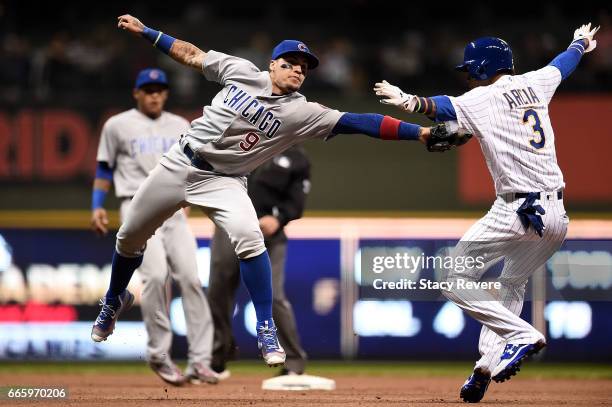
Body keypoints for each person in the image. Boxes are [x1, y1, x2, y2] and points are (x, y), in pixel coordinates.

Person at [91, 13, 463, 368]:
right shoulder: (240, 71)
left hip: (224, 181)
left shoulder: (304, 112)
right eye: (290, 62)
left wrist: (423, 133)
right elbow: (191, 54)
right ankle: (113, 300)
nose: (299, 68)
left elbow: (360, 122)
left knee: (250, 239)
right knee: (128, 238)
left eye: (305, 66)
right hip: (179, 162)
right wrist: (146, 31)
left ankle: (266, 328)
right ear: (271, 64)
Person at [374, 23, 600, 402]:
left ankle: (521, 334)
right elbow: (563, 64)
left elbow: (439, 106)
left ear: (480, 68)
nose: (468, 78)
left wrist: (406, 99)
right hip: (557, 215)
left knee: (451, 276)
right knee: (512, 283)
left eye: (470, 71)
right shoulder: (537, 82)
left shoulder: (482, 98)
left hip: (516, 208)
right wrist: (581, 42)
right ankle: (485, 366)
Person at [90, 68, 218, 386]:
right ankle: (159, 355)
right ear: (136, 93)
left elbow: (196, 168)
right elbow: (104, 169)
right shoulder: (117, 125)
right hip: (136, 207)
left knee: (191, 278)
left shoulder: (180, 125)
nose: (154, 94)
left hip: (175, 211)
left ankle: (201, 361)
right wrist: (96, 206)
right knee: (157, 277)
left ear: (166, 93)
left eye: (160, 89)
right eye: (148, 89)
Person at [209, 146, 310, 377]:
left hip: (269, 235)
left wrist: (279, 217)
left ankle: (294, 362)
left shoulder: (296, 157)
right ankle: (217, 356)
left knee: (274, 296)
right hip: (230, 228)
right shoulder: (241, 142)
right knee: (218, 290)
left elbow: (297, 201)